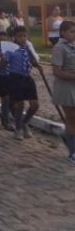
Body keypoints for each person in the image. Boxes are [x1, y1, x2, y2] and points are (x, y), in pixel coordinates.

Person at [1, 26, 42, 140]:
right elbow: (3, 65)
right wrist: (2, 59)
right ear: (14, 37)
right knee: (20, 105)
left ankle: (24, 122)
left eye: (25, 36)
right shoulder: (10, 49)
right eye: (20, 36)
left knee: (35, 105)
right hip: (15, 79)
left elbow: (32, 61)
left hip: (27, 78)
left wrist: (37, 65)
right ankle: (18, 129)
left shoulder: (28, 47)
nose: (23, 38)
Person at [51, 21, 75, 164]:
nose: (74, 34)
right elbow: (57, 71)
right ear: (63, 32)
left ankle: (67, 137)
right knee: (72, 119)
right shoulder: (59, 48)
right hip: (66, 87)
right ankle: (73, 152)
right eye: (72, 31)